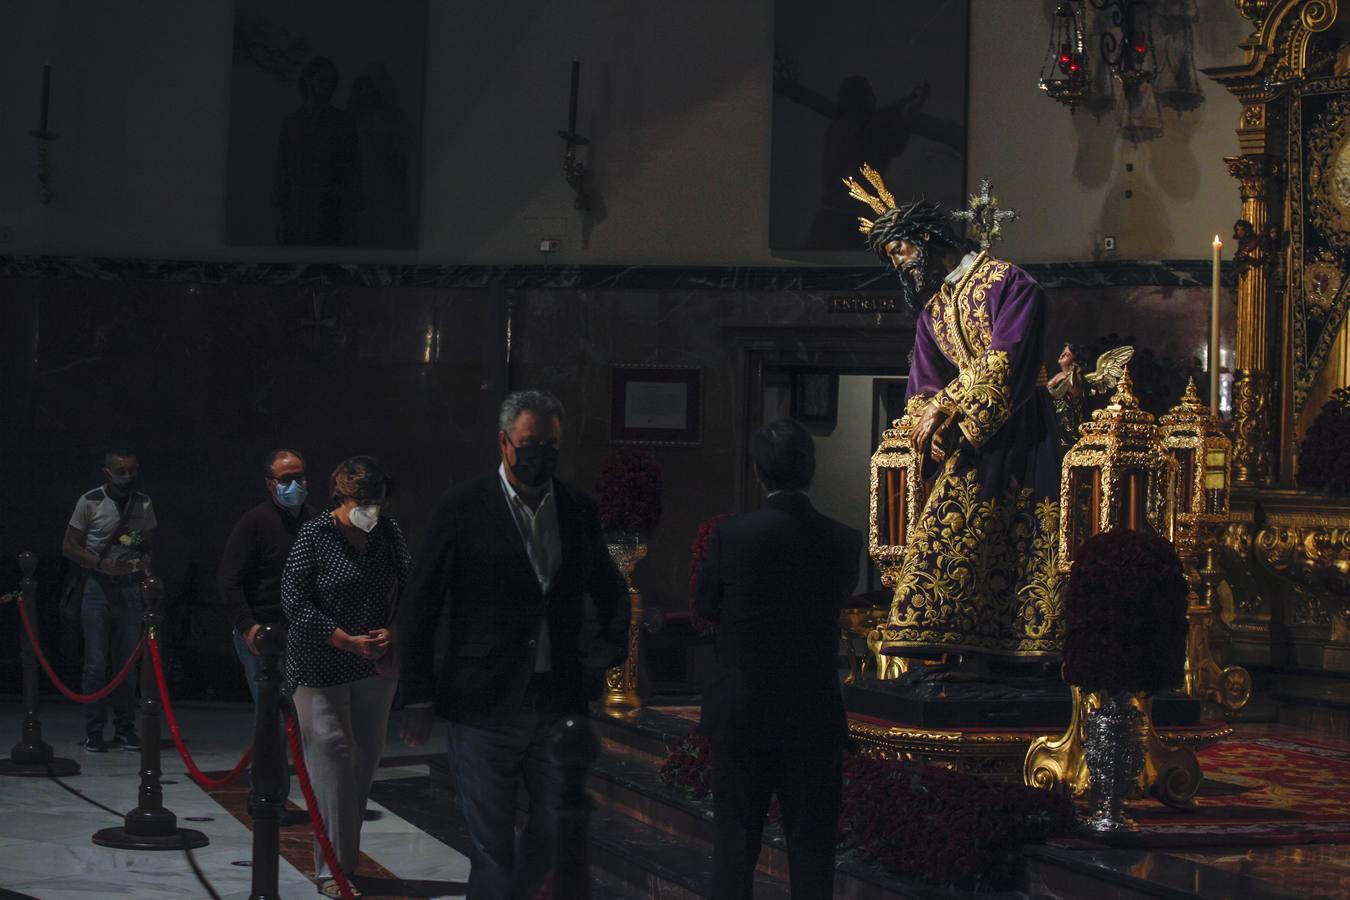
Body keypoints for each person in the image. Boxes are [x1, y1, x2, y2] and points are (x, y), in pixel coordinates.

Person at [399, 389, 627, 900]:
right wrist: (417, 693)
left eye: (550, 444)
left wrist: (597, 662)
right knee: (491, 848)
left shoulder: (577, 509)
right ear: (505, 443)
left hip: (557, 701)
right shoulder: (462, 508)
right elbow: (420, 603)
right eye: (529, 443)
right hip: (483, 702)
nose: (540, 454)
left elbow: (612, 594)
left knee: (554, 833)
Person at [845, 166, 1062, 660]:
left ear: (923, 237)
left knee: (1023, 541)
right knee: (944, 538)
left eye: (899, 251)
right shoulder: (933, 312)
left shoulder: (1011, 283)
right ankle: (949, 651)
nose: (898, 265)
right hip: (964, 441)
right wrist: (930, 427)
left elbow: (1008, 359)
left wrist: (949, 409)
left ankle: (1026, 652)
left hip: (1020, 429)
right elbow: (923, 381)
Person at [695, 418, 862, 900]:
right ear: (810, 468)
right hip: (811, 713)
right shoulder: (842, 540)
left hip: (744, 710)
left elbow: (706, 606)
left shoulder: (732, 537)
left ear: (757, 472)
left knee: (734, 847)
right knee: (812, 854)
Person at [282, 456, 409, 899]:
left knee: (363, 763)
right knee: (333, 759)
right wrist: (342, 639)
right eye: (362, 502)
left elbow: (411, 587)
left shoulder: (388, 534)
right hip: (320, 664)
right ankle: (331, 871)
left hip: (374, 664)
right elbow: (295, 601)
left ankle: (344, 861)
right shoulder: (314, 535)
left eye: (377, 501)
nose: (370, 510)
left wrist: (392, 631)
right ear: (342, 497)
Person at [218, 448, 311, 823]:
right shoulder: (254, 522)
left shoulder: (312, 522)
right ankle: (267, 797)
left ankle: (301, 796)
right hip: (263, 634)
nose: (295, 485)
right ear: (271, 484)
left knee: (302, 718)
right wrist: (249, 627)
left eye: (300, 477)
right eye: (286, 479)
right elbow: (229, 581)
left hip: (300, 633)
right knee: (270, 716)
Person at [61, 449, 156, 752]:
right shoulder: (89, 501)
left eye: (131, 471)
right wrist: (99, 564)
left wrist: (144, 573)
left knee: (127, 663)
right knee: (96, 663)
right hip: (98, 587)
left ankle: (125, 727)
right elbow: (69, 546)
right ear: (107, 472)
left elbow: (148, 544)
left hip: (129, 587)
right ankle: (94, 730)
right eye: (120, 471)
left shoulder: (142, 503)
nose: (126, 477)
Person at [273, 56, 362, 246]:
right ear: (309, 81)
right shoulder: (291, 123)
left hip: (332, 207)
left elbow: (353, 168)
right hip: (298, 207)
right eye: (322, 80)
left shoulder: (344, 122)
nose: (327, 86)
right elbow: (282, 168)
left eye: (331, 82)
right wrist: (281, 213)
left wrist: (354, 211)